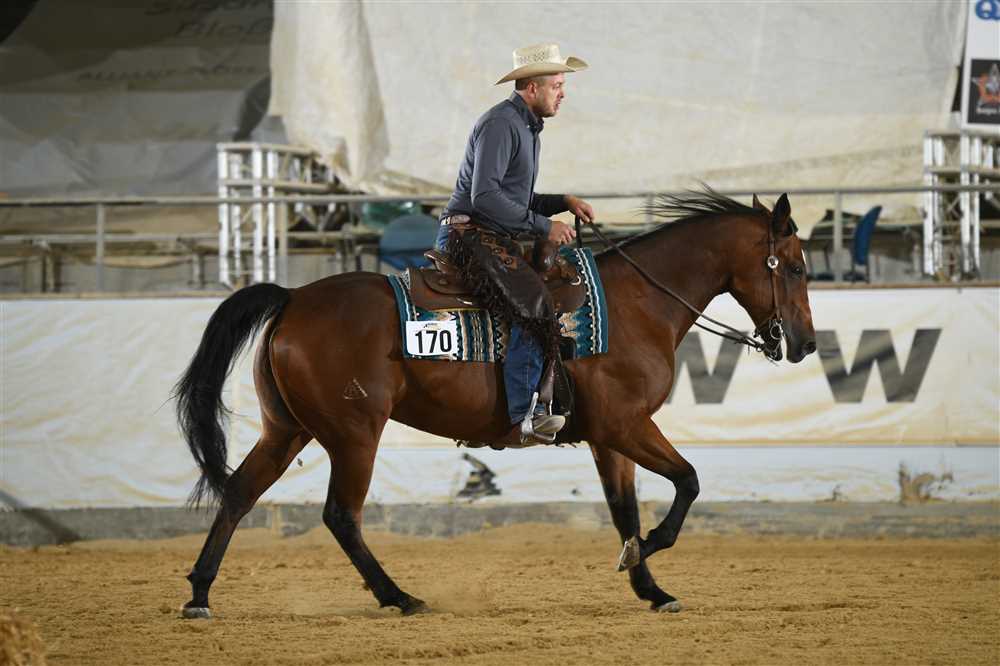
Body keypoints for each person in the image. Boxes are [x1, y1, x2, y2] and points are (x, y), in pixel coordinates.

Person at [435, 43, 595, 444]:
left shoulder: (525, 127)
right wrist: (544, 226)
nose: (563, 94)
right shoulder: (501, 124)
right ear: (531, 87)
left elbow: (516, 198)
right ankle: (526, 412)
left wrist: (562, 202)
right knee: (536, 301)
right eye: (557, 85)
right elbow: (485, 198)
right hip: (467, 233)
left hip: (485, 233)